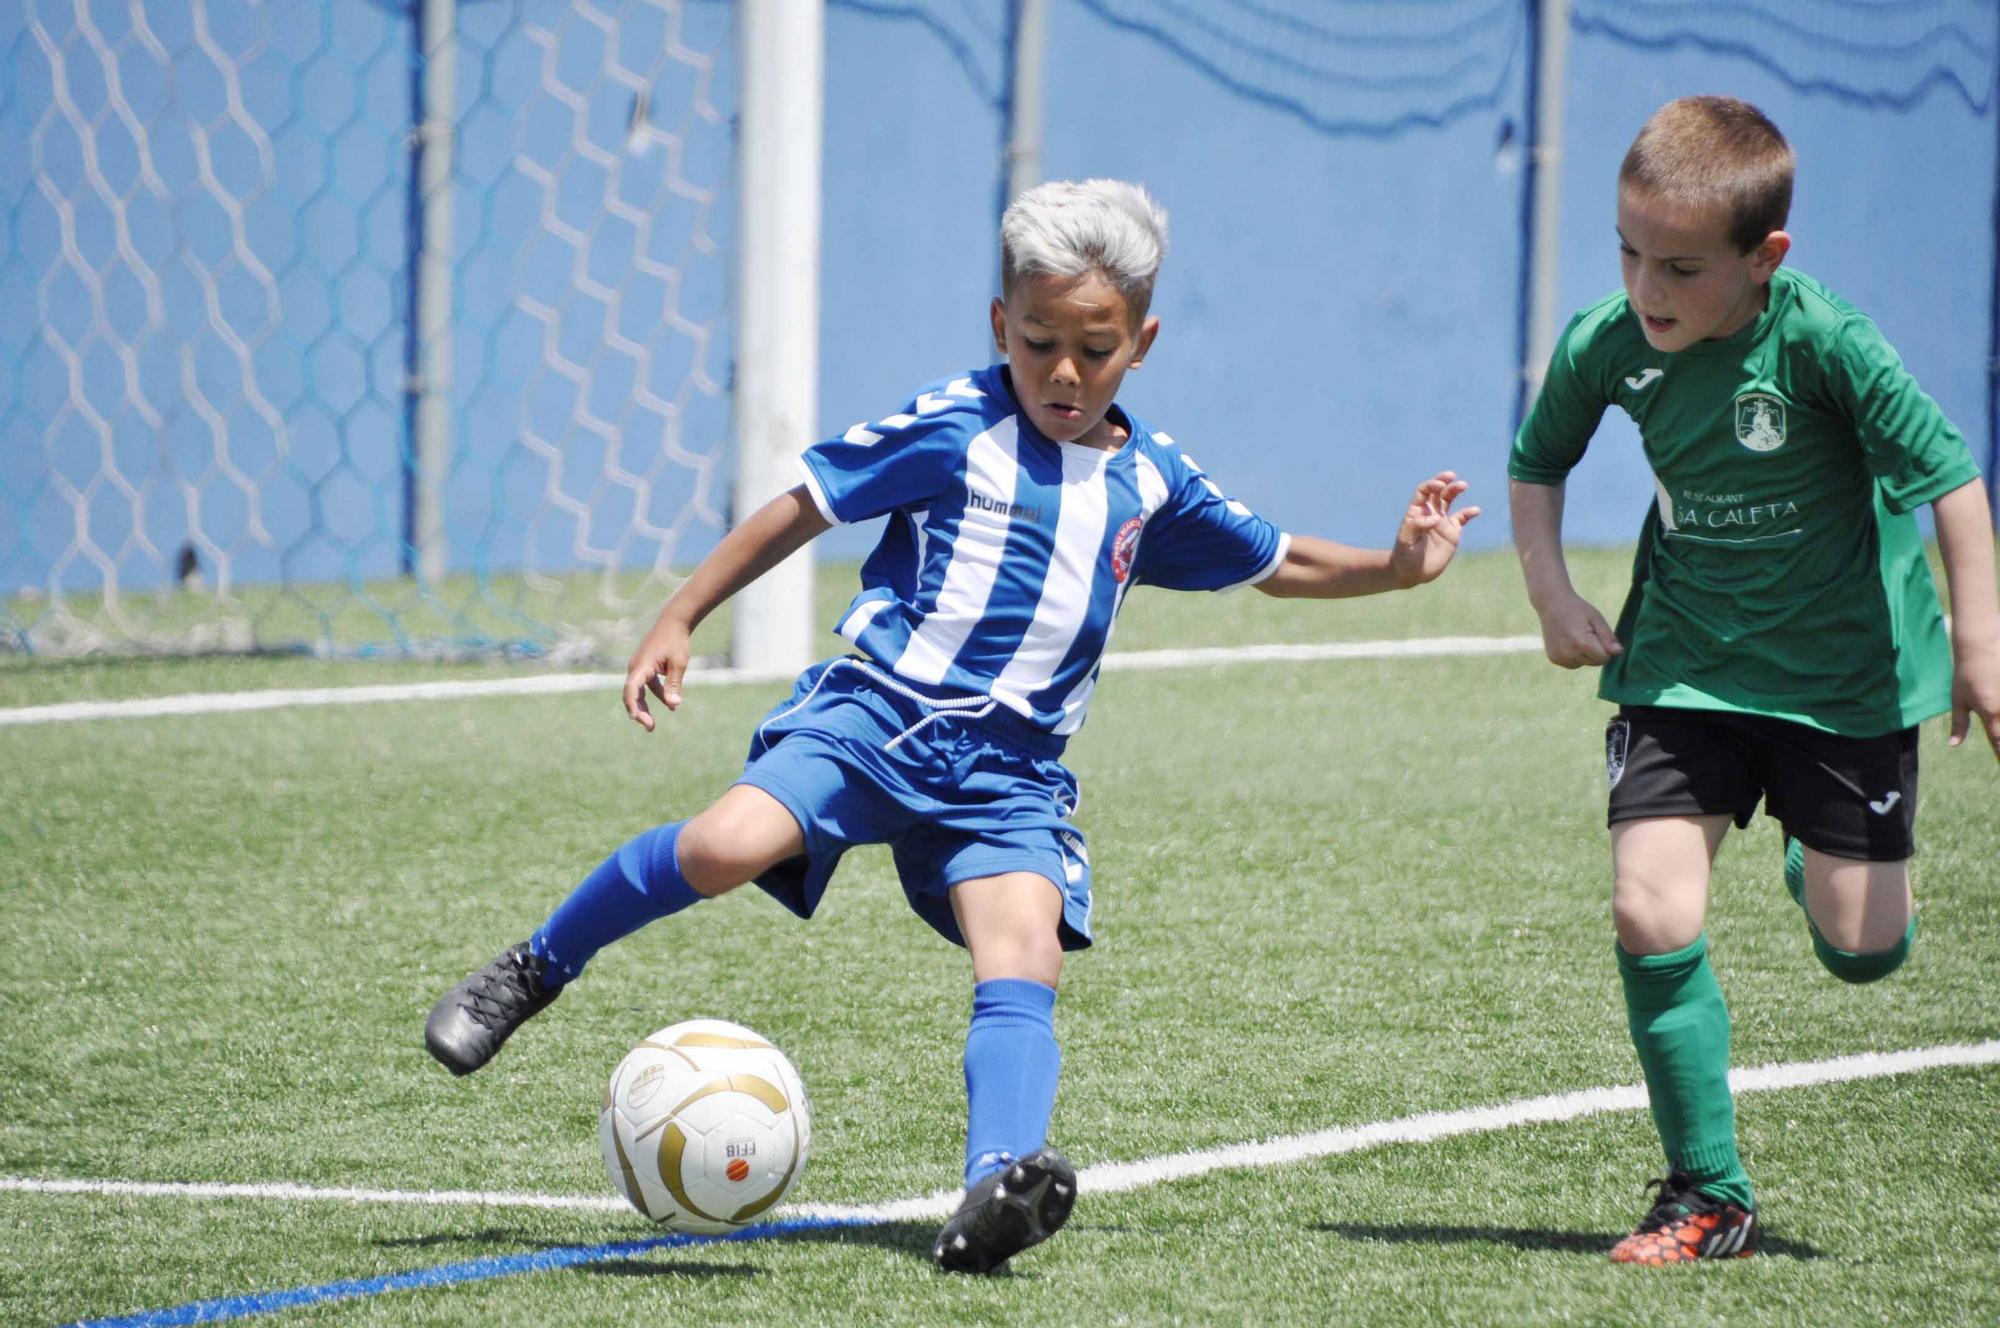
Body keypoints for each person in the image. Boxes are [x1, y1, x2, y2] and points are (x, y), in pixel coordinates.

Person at [427, 178, 1481, 1273]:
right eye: (1037, 344)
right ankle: (535, 966)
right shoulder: (952, 424)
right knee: (719, 846)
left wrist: (1396, 567)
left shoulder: (1152, 482)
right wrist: (681, 611)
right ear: (998, 326)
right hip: (876, 719)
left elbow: (1280, 559)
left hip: (1010, 774)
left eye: (1094, 348)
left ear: (1143, 342)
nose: (1063, 373)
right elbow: (802, 502)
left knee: (1023, 948)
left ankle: (999, 1183)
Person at [1508, 96, 2000, 1264]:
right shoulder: (1604, 344)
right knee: (1648, 907)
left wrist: (1977, 649)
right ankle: (1704, 1192)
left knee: (1861, 947)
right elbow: (1536, 465)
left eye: (1678, 266)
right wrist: (1547, 591)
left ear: (1762, 255)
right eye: (1627, 252)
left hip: (1844, 683)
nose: (1645, 288)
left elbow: (1952, 482)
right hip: (1681, 662)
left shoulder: (1826, 342)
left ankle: (1810, 851)